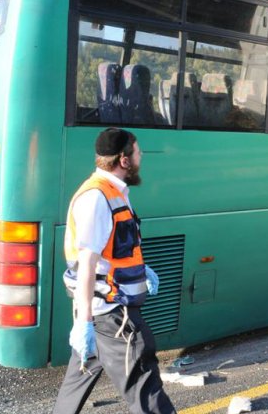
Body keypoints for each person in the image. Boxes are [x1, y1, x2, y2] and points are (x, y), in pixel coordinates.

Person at [53, 128, 176, 414]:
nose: (141, 157)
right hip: (112, 316)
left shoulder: (113, 192)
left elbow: (116, 249)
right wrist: (84, 323)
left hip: (103, 312)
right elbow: (87, 265)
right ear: (124, 160)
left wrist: (142, 270)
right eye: (138, 152)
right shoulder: (97, 198)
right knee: (144, 385)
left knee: (78, 380)